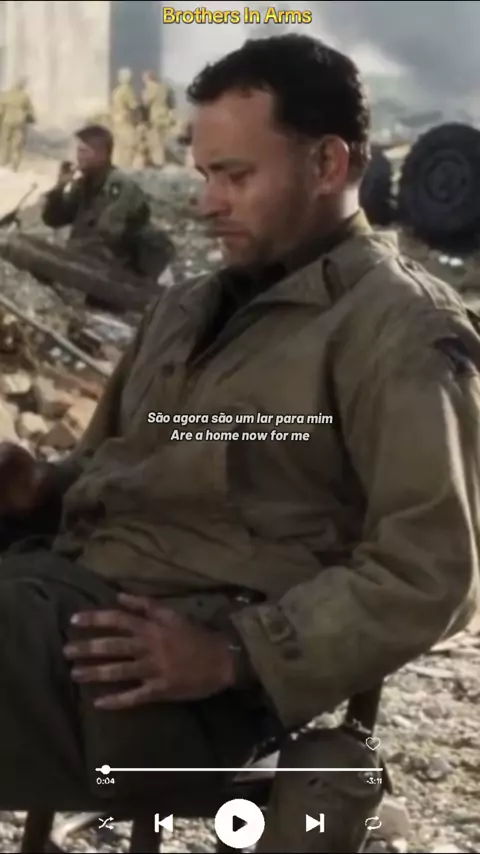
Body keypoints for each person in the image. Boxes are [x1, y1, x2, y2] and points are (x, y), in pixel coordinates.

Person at [0, 34, 479, 851]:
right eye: (203, 175)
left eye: (234, 176)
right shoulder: (184, 309)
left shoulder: (398, 333)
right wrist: (40, 488)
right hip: (59, 602)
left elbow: (433, 571)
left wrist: (236, 653)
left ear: (327, 163)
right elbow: (117, 467)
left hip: (167, 680)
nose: (206, 203)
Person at [0, 123, 174, 311]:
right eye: (78, 151)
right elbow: (53, 219)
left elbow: (107, 234)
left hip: (115, 272)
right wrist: (60, 188)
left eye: (84, 152)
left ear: (102, 155)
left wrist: (66, 258)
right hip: (89, 265)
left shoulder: (120, 187)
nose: (78, 157)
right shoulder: (85, 184)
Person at [0, 77, 35, 170]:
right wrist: (32, 119)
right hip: (19, 122)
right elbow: (30, 111)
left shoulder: (6, 95)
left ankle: (3, 163)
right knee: (17, 145)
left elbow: (1, 110)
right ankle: (14, 166)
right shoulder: (25, 96)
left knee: (5, 142)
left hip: (6, 121)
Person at [140, 70, 172, 167]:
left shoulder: (151, 87)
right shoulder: (162, 87)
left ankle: (158, 162)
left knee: (155, 141)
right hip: (164, 115)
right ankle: (161, 160)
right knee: (161, 140)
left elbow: (146, 102)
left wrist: (143, 94)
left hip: (155, 116)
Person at [110, 67, 137, 169]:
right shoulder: (127, 90)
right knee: (129, 144)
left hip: (117, 119)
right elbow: (133, 105)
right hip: (126, 119)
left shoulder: (117, 90)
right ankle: (127, 166)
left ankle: (117, 164)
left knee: (118, 145)